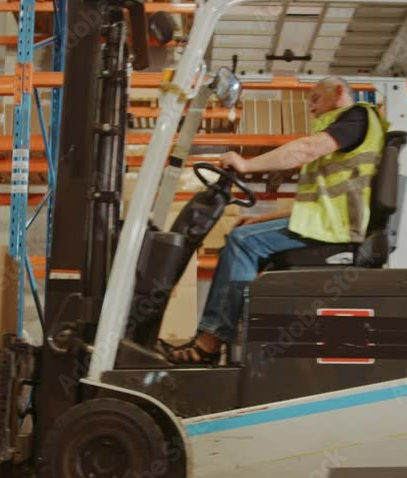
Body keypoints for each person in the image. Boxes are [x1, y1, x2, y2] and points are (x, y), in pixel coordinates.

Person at [167, 76, 389, 365]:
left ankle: (211, 342)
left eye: (315, 99)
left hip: (336, 228)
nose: (311, 108)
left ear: (337, 93)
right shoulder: (346, 131)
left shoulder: (357, 117)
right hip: (330, 222)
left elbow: (304, 150)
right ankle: (230, 336)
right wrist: (263, 217)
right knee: (242, 236)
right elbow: (317, 204)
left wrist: (246, 165)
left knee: (242, 243)